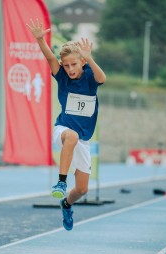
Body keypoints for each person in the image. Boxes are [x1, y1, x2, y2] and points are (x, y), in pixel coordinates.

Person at [27, 19, 106, 231]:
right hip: (63, 129)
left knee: (82, 189)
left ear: (82, 63)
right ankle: (61, 182)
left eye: (74, 64)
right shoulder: (62, 77)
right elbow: (50, 57)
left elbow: (103, 78)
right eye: (67, 65)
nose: (70, 69)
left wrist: (90, 58)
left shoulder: (90, 76)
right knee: (70, 136)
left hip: (84, 139)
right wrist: (40, 40)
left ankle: (67, 203)